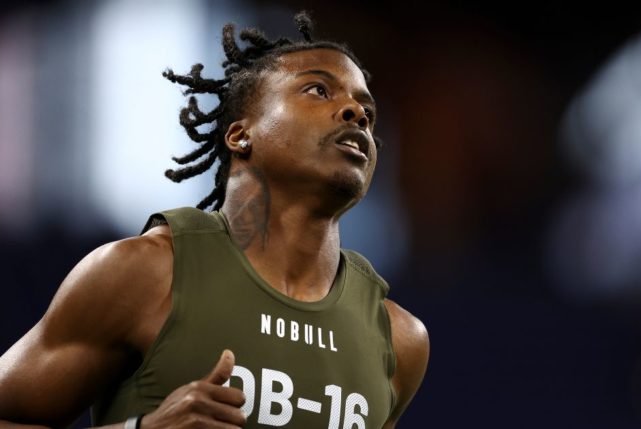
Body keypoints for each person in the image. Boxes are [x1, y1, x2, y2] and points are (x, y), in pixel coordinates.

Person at [0, 12, 429, 429]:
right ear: (241, 134)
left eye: (367, 113)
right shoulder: (149, 273)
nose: (356, 114)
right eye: (319, 90)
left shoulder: (398, 339)